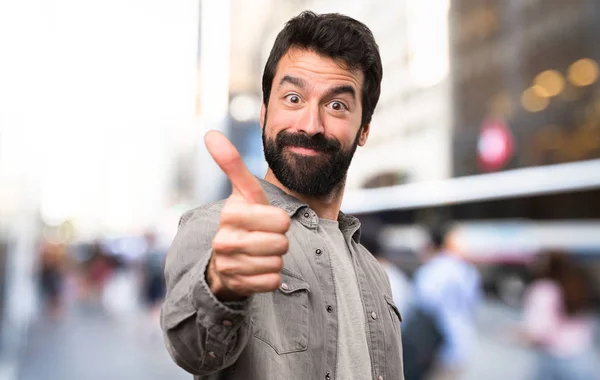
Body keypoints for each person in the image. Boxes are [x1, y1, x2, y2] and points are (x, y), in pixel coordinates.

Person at [161, 11, 404, 380]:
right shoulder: (218, 228)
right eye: (293, 98)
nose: (310, 124)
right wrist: (221, 286)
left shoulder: (375, 272)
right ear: (263, 112)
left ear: (364, 129)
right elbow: (192, 350)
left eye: (337, 105)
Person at [403, 224, 481, 380]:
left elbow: (424, 308)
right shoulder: (467, 270)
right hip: (461, 342)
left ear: (430, 245)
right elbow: (474, 304)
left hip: (437, 349)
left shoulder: (431, 271)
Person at [519, 251, 598, 380]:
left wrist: (518, 335)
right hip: (581, 356)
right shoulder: (577, 284)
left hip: (553, 357)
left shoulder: (543, 289)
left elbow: (539, 331)